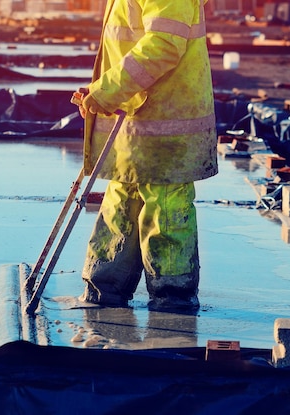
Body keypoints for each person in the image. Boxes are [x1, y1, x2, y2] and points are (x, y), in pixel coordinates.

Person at [72, 0, 218, 311]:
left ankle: (172, 298)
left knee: (165, 208)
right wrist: (106, 91)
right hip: (138, 118)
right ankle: (104, 287)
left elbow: (162, 45)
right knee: (123, 195)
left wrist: (108, 91)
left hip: (166, 122)